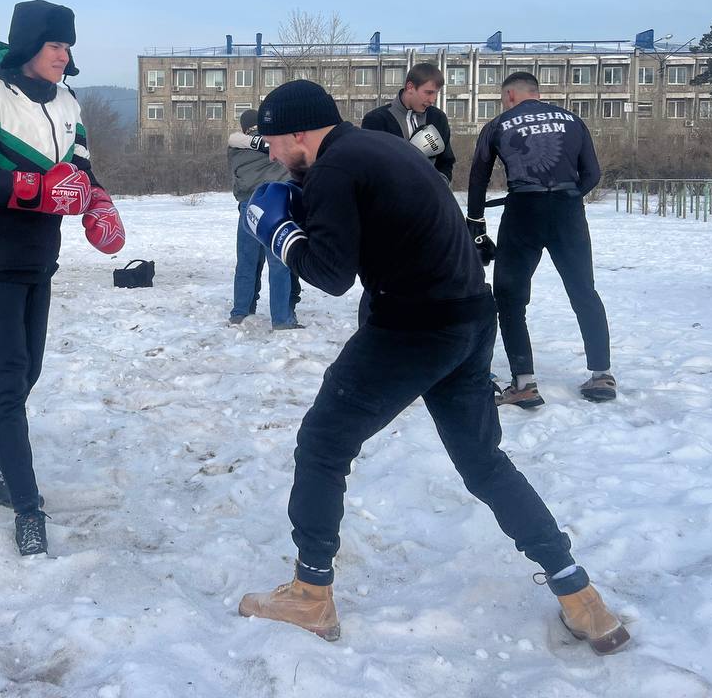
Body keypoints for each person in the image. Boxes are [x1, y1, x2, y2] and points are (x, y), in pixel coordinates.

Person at [235, 80, 628, 655]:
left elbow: (331, 273)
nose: (268, 154)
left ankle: (309, 594)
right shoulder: (380, 147)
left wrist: (281, 234)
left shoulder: (337, 168)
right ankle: (580, 596)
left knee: (323, 444)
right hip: (470, 317)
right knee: (484, 462)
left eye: (270, 142)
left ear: (298, 132)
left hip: (413, 326)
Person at [0, 0, 125, 557]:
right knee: (7, 381)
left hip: (40, 256)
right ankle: (27, 507)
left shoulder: (68, 102)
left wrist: (97, 202)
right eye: (54, 46)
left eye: (68, 47)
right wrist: (27, 188)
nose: (64, 56)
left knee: (26, 373)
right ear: (28, 48)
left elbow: (81, 169)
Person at [466, 72, 613, 408]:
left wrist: (476, 222)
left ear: (510, 95)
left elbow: (478, 176)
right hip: (568, 213)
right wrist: (571, 196)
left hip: (523, 212)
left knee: (510, 297)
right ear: (536, 93)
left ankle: (524, 383)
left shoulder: (500, 124)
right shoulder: (572, 120)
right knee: (583, 291)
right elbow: (592, 173)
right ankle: (602, 374)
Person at [227, 109, 299, 329]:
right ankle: (282, 319)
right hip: (276, 206)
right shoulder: (276, 143)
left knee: (247, 263)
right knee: (279, 264)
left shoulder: (234, 149)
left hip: (248, 207)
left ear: (243, 127)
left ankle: (241, 312)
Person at [361, 62, 455, 183]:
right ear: (410, 87)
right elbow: (370, 168)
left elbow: (446, 162)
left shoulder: (438, 118)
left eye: (436, 93)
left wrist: (439, 185)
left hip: (429, 200)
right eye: (428, 92)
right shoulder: (376, 120)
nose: (433, 99)